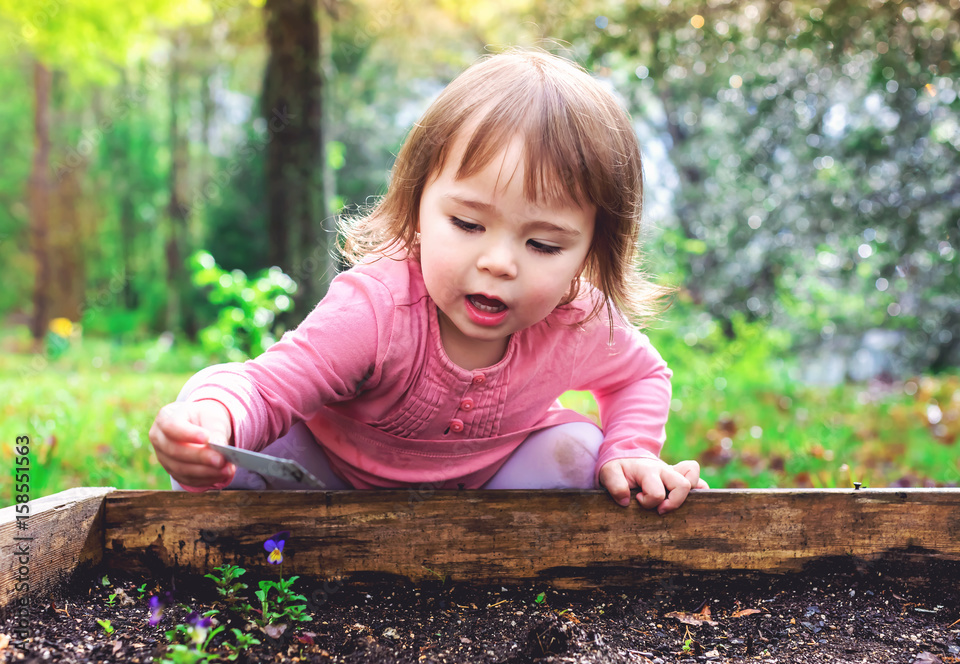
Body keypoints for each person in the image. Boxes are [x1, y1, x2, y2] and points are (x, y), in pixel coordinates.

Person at [148, 48, 708, 514]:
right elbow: (269, 388)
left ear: (591, 250)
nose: (499, 263)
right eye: (467, 223)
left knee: (581, 450)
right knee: (230, 438)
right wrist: (215, 421)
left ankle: (509, 581)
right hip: (323, 486)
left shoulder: (577, 319)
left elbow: (642, 375)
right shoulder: (377, 310)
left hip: (479, 504)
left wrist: (629, 450)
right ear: (416, 206)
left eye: (543, 244)